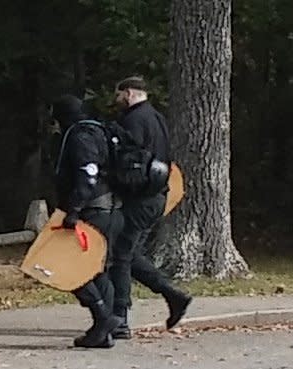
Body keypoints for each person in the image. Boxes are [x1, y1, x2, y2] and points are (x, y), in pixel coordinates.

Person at [108, 76, 192, 339]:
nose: (117, 100)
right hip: (158, 197)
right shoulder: (157, 118)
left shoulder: (132, 121)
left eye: (119, 94)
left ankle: (119, 319)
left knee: (120, 256)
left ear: (130, 93)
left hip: (140, 199)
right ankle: (173, 295)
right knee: (130, 254)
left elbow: (126, 161)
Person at [51, 94, 125, 348]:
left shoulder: (80, 136)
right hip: (110, 208)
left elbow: (87, 173)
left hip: (92, 210)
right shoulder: (99, 130)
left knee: (66, 266)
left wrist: (74, 209)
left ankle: (103, 318)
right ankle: (102, 330)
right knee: (99, 270)